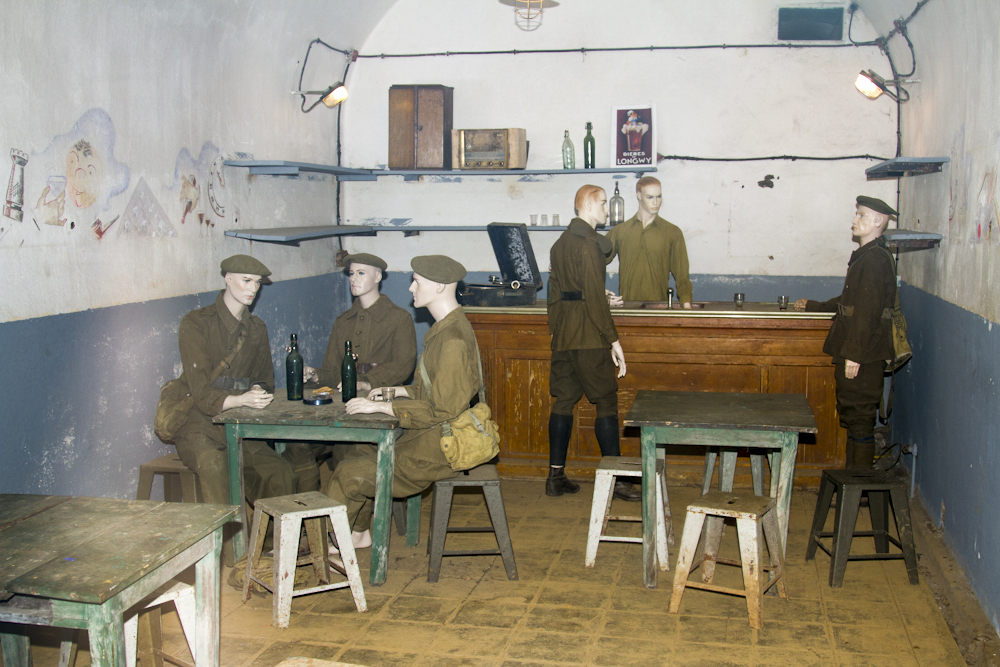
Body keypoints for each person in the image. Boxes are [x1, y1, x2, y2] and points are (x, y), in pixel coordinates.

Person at [322, 255, 480, 549]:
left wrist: (381, 407)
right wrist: (392, 391)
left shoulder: (452, 340)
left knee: (347, 473)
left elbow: (442, 409)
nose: (410, 289)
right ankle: (356, 534)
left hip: (436, 449)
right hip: (427, 438)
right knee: (354, 454)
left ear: (439, 286)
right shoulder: (444, 329)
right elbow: (427, 388)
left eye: (417, 282)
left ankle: (333, 544)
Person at [171, 254, 295, 562]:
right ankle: (230, 557)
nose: (252, 289)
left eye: (257, 283)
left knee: (278, 471)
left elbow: (264, 380)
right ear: (227, 279)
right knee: (215, 467)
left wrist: (257, 393)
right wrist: (239, 399)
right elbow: (200, 393)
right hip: (198, 426)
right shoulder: (196, 324)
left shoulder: (256, 329)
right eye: (245, 280)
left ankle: (266, 547)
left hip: (238, 425)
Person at [288, 253, 417, 490]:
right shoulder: (343, 321)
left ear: (378, 276)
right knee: (297, 446)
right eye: (351, 273)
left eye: (361, 273)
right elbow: (331, 368)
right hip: (340, 409)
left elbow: (403, 365)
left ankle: (351, 521)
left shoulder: (398, 319)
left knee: (350, 453)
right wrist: (315, 375)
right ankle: (309, 512)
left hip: (376, 407)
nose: (353, 279)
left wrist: (367, 382)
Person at [546, 185, 639, 501]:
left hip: (565, 335)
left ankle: (555, 476)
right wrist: (613, 340)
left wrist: (556, 332)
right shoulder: (587, 246)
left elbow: (554, 295)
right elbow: (593, 300)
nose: (607, 210)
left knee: (564, 400)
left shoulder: (560, 245)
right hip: (588, 334)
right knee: (607, 401)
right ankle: (618, 482)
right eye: (602, 203)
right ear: (586, 205)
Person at [794, 196, 897, 469]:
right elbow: (851, 301)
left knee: (860, 417)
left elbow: (868, 312)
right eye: (857, 214)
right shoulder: (868, 255)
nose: (855, 220)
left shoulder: (874, 259)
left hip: (863, 353)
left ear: (877, 221)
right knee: (854, 415)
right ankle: (855, 483)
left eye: (862, 215)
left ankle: (859, 487)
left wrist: (854, 354)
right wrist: (815, 306)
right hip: (861, 351)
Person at [605, 176, 693, 307]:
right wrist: (600, 293)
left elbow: (682, 277)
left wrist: (687, 309)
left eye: (659, 196)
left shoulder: (672, 233)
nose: (656, 202)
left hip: (658, 310)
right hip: (627, 310)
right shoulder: (620, 232)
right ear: (639, 196)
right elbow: (594, 263)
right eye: (650, 197)